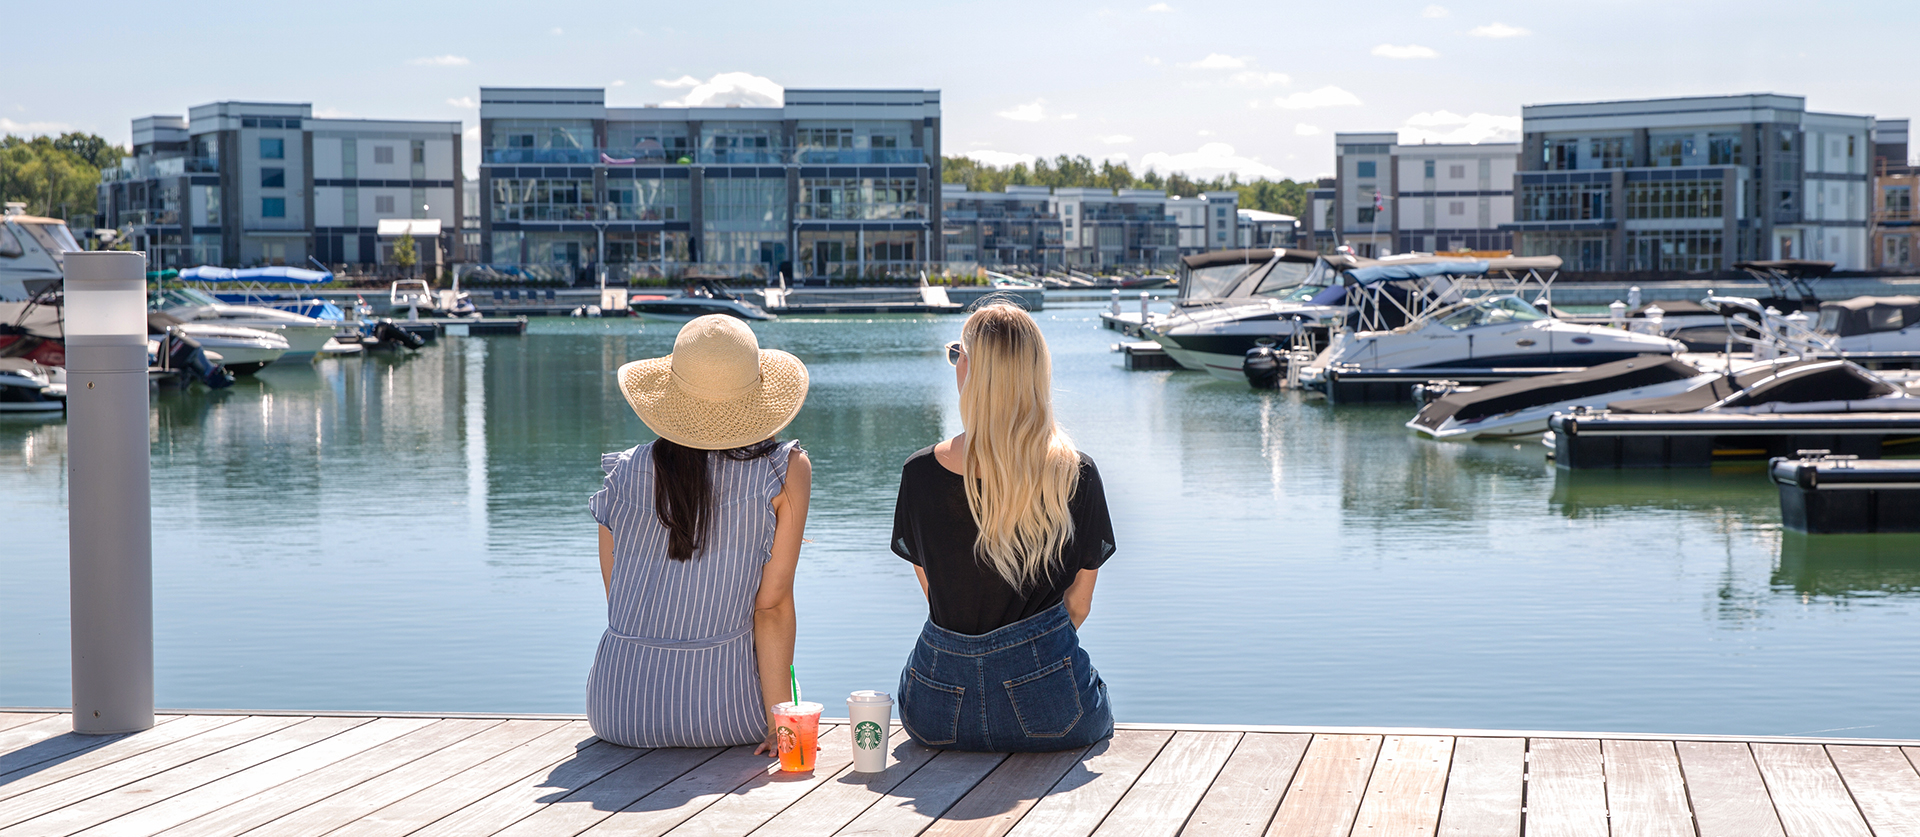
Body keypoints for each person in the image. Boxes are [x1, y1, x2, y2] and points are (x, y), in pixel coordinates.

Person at [891, 302, 1116, 752]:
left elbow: (939, 595)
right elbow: (1079, 607)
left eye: (958, 353)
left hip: (936, 709)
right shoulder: (1076, 474)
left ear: (970, 369)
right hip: (1052, 706)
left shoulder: (920, 473)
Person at [587, 314, 812, 753]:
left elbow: (619, 594)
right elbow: (772, 609)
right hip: (728, 713)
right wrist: (779, 726)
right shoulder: (783, 470)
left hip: (617, 709)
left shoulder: (624, 471)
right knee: (790, 699)